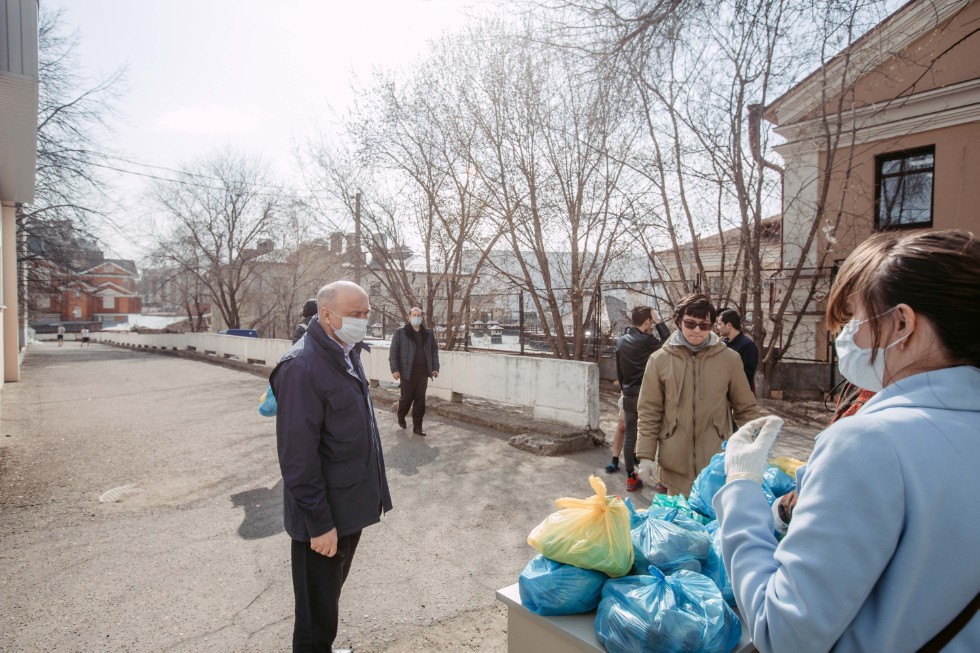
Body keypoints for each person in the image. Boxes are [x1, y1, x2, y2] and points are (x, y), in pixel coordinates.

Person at [714, 230, 980, 652]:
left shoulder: (870, 442)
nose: (848, 336)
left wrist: (742, 489)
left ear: (902, 323)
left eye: (856, 318)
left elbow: (781, 634)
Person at [270, 280, 393, 652]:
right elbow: (298, 460)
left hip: (349, 508)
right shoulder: (301, 367)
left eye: (367, 313)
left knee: (328, 600)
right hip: (323, 520)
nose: (364, 321)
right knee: (314, 613)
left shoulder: (345, 351)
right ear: (326, 315)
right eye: (356, 314)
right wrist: (320, 524)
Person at [634, 293, 758, 496]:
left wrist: (754, 448)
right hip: (674, 469)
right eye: (690, 323)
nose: (697, 330)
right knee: (678, 525)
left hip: (716, 465)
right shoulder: (659, 360)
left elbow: (746, 409)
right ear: (678, 322)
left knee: (713, 525)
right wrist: (646, 456)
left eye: (704, 325)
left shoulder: (730, 359)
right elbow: (649, 411)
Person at [613, 306, 671, 491]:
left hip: (629, 395)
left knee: (630, 437)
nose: (651, 325)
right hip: (648, 395)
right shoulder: (647, 340)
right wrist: (660, 322)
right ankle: (660, 479)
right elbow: (669, 343)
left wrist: (626, 391)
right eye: (651, 322)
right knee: (657, 434)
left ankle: (631, 479)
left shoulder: (621, 341)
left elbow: (620, 372)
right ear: (648, 322)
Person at [389, 307, 440, 437]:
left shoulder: (428, 333)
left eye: (419, 315)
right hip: (407, 371)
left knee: (420, 400)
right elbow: (394, 351)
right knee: (406, 399)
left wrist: (435, 367)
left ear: (422, 317)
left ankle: (418, 427)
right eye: (414, 315)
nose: (416, 317)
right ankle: (401, 415)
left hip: (423, 372)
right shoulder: (401, 332)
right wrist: (395, 369)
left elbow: (434, 351)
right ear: (409, 317)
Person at [715, 308, 759, 393]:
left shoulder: (747, 345)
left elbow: (746, 376)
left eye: (719, 324)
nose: (717, 327)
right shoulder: (722, 344)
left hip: (739, 395)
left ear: (729, 325)